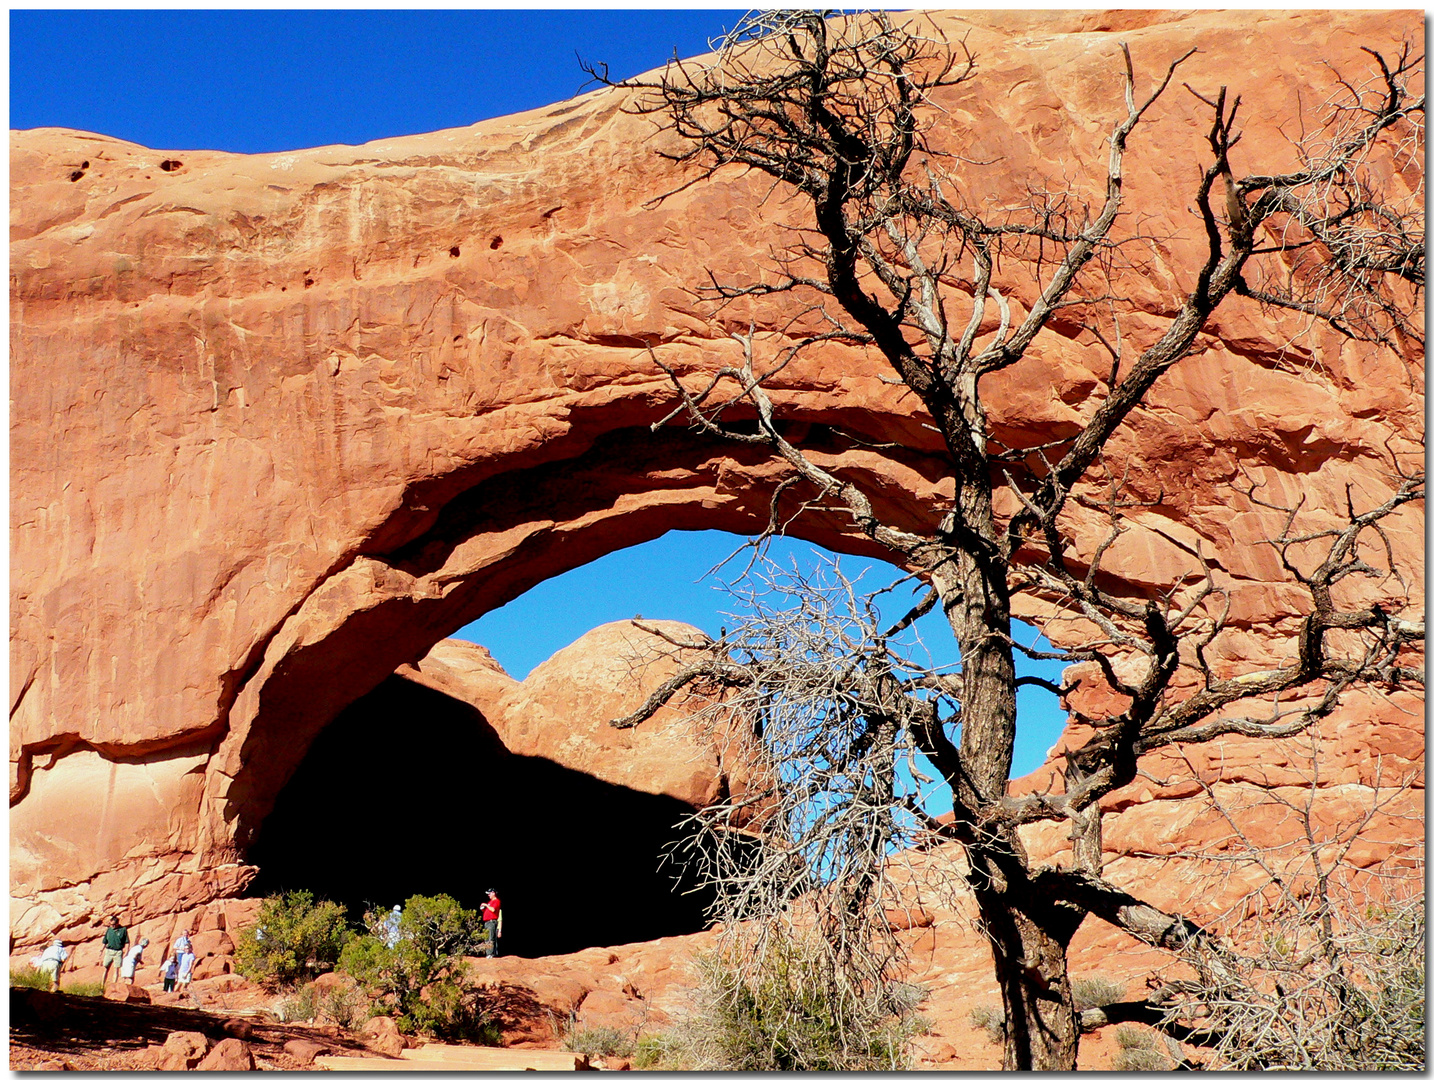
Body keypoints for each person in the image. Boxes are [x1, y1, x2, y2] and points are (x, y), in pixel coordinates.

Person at [100, 915, 130, 988]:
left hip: (118, 952)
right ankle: (101, 986)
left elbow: (127, 942)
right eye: (111, 924)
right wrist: (101, 950)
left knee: (116, 969)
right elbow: (105, 941)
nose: (112, 926)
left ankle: (113, 986)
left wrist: (126, 951)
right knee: (105, 968)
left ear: (117, 923)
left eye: (113, 924)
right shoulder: (109, 930)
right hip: (109, 951)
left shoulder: (123, 930)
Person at [481, 889, 502, 958]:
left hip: (491, 921)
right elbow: (488, 910)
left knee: (490, 937)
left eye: (489, 893)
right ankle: (488, 953)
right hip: (486, 922)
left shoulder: (496, 901)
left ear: (493, 893)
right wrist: (483, 908)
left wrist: (486, 905)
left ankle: (490, 954)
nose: (488, 895)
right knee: (486, 938)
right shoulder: (490, 902)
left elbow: (493, 910)